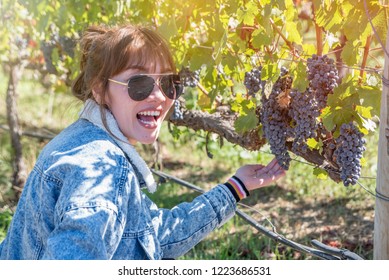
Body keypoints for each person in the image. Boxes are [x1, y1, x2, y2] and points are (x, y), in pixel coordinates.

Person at [0, 24, 285, 260]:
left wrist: (236, 187)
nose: (160, 97)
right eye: (140, 84)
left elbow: (151, 234)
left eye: (168, 83)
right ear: (100, 90)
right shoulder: (102, 170)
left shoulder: (82, 141)